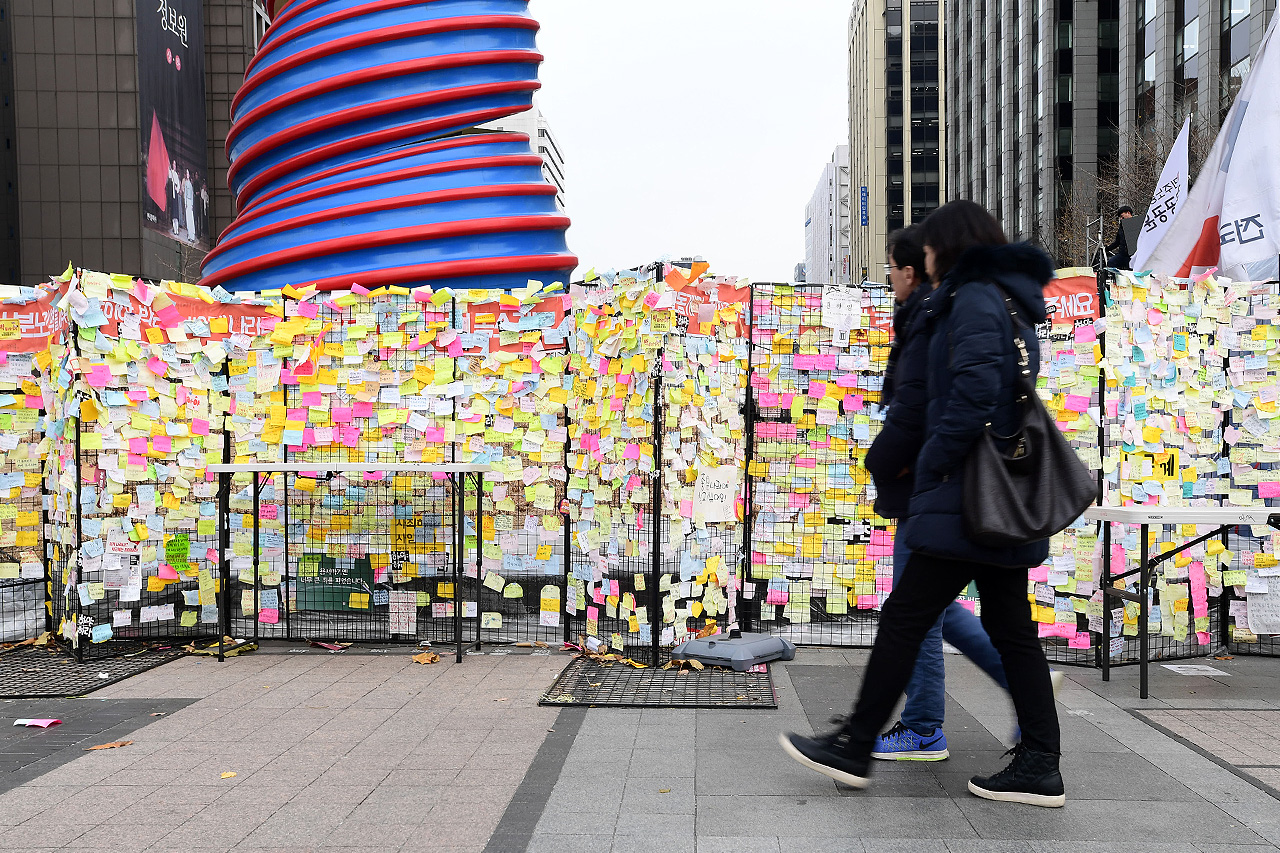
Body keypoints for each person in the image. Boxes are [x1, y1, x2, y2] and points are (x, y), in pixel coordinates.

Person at [780, 200, 1065, 808]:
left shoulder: (975, 300)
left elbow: (975, 393)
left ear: (949, 246)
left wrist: (935, 460)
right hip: (995, 496)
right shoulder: (1006, 301)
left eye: (929, 247)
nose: (922, 258)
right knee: (1009, 629)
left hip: (967, 496)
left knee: (908, 617)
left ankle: (857, 743)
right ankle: (1039, 762)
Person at [863, 226, 1012, 762]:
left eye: (891, 267)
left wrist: (888, 462)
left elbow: (922, 407)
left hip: (927, 490)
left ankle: (923, 726)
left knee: (914, 612)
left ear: (911, 269)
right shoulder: (954, 311)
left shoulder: (932, 318)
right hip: (940, 490)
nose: (890, 278)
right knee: (937, 608)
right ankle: (1022, 685)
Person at [1106, 205, 1134, 269]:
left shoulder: (1137, 224)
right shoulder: (1121, 227)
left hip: (1132, 255)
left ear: (1128, 213)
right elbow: (1117, 241)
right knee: (1111, 263)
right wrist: (1107, 248)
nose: (1121, 219)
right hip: (1122, 254)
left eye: (1122, 216)